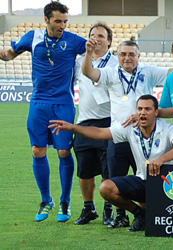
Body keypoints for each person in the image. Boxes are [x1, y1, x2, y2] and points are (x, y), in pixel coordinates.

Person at [49, 95, 173, 232]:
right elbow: (100, 133)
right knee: (106, 188)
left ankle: (150, 212)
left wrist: (162, 160)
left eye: (147, 109)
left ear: (156, 113)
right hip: (142, 179)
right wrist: (73, 127)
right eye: (140, 109)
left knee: (162, 218)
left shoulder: (167, 128)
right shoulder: (131, 128)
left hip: (165, 183)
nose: (143, 112)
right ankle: (139, 213)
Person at [0, 1, 86, 222]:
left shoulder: (74, 41)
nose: (62, 26)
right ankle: (46, 200)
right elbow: (8, 55)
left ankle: (65, 202)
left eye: (65, 21)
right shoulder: (32, 37)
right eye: (58, 21)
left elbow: (98, 52)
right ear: (46, 20)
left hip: (63, 103)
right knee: (38, 150)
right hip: (38, 102)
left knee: (63, 152)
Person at [82, 40, 170, 228]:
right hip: (119, 135)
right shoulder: (111, 73)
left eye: (131, 54)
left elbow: (172, 75)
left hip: (143, 136)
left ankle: (146, 215)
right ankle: (122, 216)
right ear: (118, 56)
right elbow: (88, 72)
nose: (127, 58)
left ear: (138, 56)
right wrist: (89, 54)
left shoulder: (148, 71)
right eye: (123, 54)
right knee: (116, 179)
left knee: (143, 178)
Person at [72, 23, 118, 225]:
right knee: (84, 169)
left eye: (101, 35)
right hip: (84, 121)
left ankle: (109, 209)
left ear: (109, 41)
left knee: (109, 169)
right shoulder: (80, 61)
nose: (96, 38)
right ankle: (88, 208)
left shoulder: (118, 62)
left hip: (109, 121)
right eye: (93, 35)